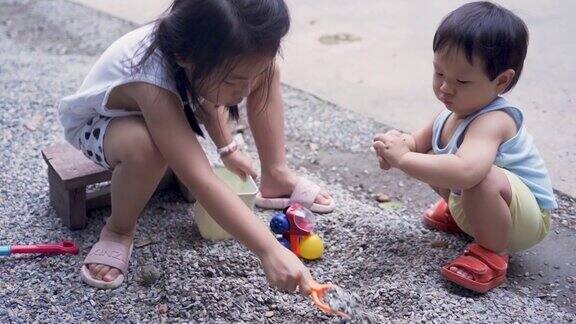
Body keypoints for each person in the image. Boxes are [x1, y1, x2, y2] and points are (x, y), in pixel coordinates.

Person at [58, 0, 333, 290]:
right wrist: (270, 250)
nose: (245, 89)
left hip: (168, 107)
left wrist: (228, 149)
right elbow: (202, 179)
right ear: (184, 57)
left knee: (267, 69)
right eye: (234, 81)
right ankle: (118, 229)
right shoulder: (150, 80)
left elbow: (204, 93)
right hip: (102, 124)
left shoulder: (203, 51)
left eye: (249, 79)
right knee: (147, 150)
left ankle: (276, 175)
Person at [373, 1, 556, 293]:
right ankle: (467, 218)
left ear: (501, 81)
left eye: (461, 80)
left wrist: (404, 160)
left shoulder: (495, 120)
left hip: (523, 219)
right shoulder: (449, 111)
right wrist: (394, 147)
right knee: (431, 154)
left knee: (480, 176)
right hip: (481, 202)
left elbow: (467, 171)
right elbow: (415, 144)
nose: (445, 87)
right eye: (439, 73)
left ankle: (492, 253)